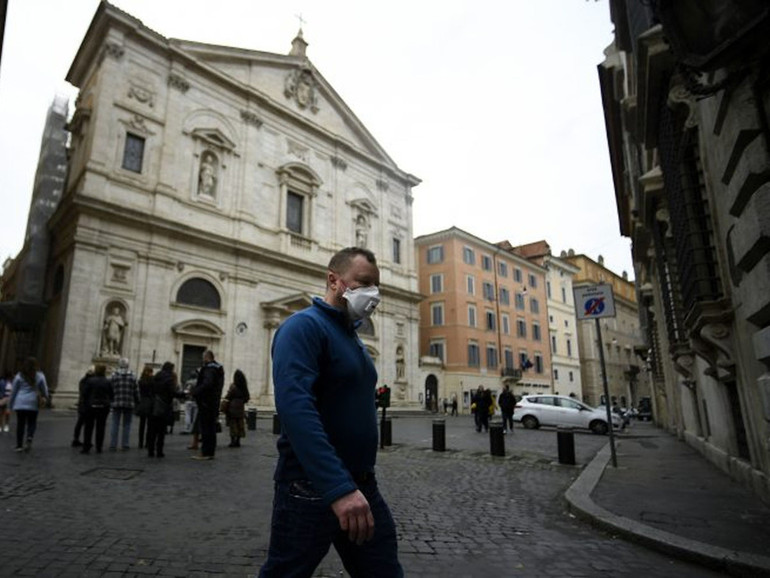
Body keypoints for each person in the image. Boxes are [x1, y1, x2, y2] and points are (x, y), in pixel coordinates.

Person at [259, 247, 403, 578]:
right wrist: (337, 487)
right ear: (333, 280)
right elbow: (296, 412)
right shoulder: (303, 327)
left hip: (361, 484)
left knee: (383, 569)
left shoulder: (350, 336)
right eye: (364, 283)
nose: (373, 294)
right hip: (310, 487)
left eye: (376, 286)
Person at [9, 358, 50, 452]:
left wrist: (10, 405)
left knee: (20, 424)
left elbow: (14, 391)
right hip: (33, 402)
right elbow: (45, 389)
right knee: (32, 422)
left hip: (20, 402)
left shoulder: (19, 375)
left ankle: (19, 445)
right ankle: (29, 437)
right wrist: (45, 397)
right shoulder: (40, 375)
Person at [190, 350, 224, 460]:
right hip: (213, 402)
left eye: (203, 358)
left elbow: (207, 384)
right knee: (211, 428)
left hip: (206, 402)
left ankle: (205, 453)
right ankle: (210, 452)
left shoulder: (210, 368)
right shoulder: (218, 368)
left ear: (206, 358)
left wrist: (195, 391)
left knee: (206, 429)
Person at [146, 361, 179, 458]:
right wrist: (183, 395)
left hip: (153, 406)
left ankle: (150, 451)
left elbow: (150, 391)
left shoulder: (155, 377)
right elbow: (172, 392)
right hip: (164, 406)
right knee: (161, 430)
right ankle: (159, 451)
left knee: (152, 430)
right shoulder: (169, 379)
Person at [80, 364, 113, 454]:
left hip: (91, 406)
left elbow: (85, 393)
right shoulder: (108, 381)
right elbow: (111, 394)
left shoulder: (90, 381)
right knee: (101, 427)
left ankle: (86, 446)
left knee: (88, 427)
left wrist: (87, 402)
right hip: (103, 407)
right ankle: (99, 447)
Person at [109, 357, 139, 450]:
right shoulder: (133, 376)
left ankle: (113, 444)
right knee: (127, 424)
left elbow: (110, 389)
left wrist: (111, 399)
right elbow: (136, 391)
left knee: (115, 423)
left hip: (116, 402)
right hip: (129, 403)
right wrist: (137, 401)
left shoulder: (113, 375)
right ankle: (125, 444)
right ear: (127, 365)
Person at [224, 369, 249, 448]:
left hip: (232, 407)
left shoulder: (233, 386)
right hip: (240, 407)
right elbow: (247, 397)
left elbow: (228, 396)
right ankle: (238, 441)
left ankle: (232, 441)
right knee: (240, 424)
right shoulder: (244, 388)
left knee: (233, 424)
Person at [72, 366, 94, 447]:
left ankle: (76, 438)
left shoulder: (82, 380)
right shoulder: (91, 382)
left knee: (80, 422)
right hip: (88, 405)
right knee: (88, 424)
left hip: (82, 404)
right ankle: (87, 441)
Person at [136, 365, 154, 449]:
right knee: (149, 425)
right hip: (150, 403)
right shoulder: (152, 381)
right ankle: (147, 442)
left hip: (142, 402)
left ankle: (140, 442)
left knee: (142, 424)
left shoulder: (140, 380)